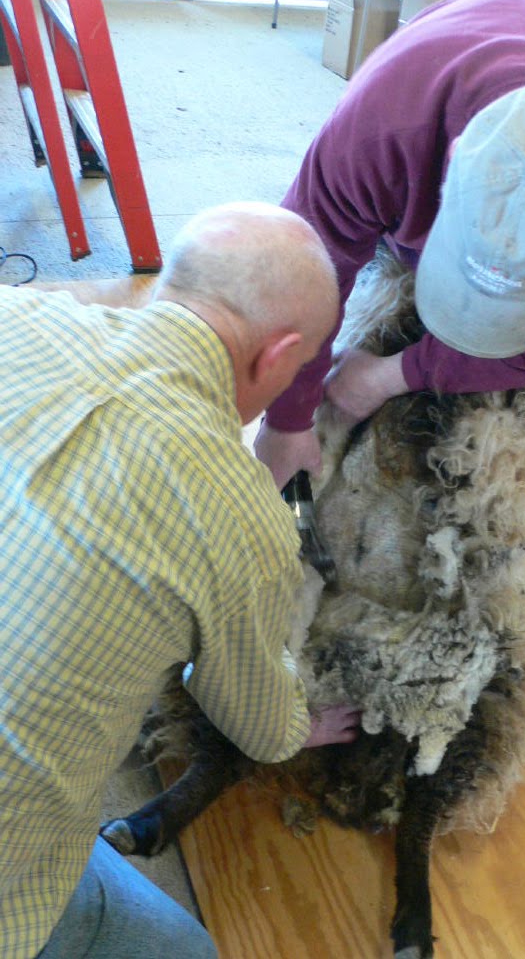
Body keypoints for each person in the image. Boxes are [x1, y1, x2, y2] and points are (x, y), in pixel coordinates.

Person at [0, 202, 361, 959]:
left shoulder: (15, 315)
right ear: (277, 356)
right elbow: (259, 726)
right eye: (299, 369)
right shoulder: (240, 517)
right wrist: (300, 722)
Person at [254, 0, 525, 490]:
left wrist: (391, 376)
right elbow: (300, 276)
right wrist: (288, 420)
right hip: (453, 53)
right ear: (454, 156)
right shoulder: (377, 134)